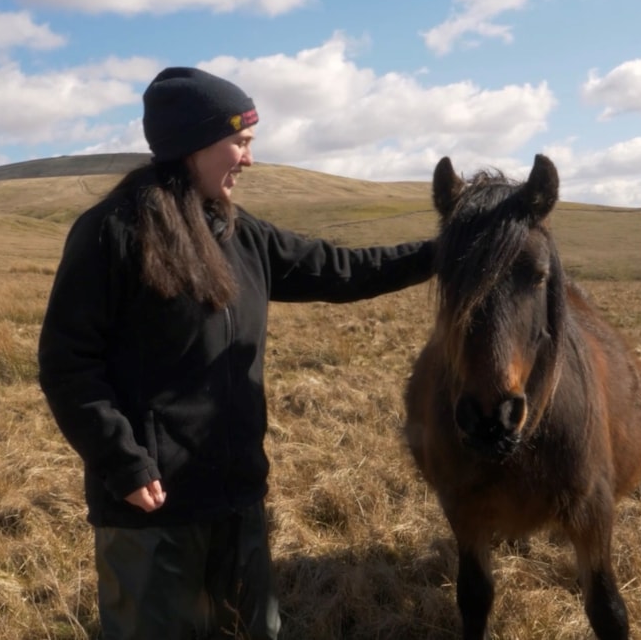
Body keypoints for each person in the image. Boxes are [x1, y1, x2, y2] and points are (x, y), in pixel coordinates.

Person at [37, 66, 435, 640]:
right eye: (239, 143)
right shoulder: (113, 232)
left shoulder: (241, 234)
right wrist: (121, 460)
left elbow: (344, 270)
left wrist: (446, 251)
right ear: (194, 145)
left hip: (237, 494)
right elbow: (67, 363)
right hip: (152, 507)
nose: (248, 159)